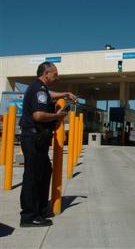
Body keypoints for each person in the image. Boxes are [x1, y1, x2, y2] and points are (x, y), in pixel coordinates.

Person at [19, 62, 77, 227]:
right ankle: (29, 216)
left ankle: (39, 209)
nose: (56, 77)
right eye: (55, 74)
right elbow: (38, 116)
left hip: (37, 139)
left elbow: (48, 96)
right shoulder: (38, 89)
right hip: (33, 138)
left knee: (44, 172)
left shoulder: (39, 88)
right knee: (33, 177)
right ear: (46, 74)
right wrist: (57, 116)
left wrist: (65, 94)